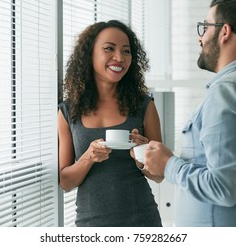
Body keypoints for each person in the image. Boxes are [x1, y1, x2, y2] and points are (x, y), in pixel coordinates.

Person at [144, 0, 236, 226]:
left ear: (225, 32)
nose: (200, 38)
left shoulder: (226, 93)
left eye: (205, 27)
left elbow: (223, 188)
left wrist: (168, 164)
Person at [58, 20, 163, 227]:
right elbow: (65, 182)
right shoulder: (67, 112)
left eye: (126, 51)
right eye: (109, 48)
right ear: (89, 54)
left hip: (142, 221)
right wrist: (88, 158)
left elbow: (158, 175)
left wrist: (142, 155)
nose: (119, 58)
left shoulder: (144, 106)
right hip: (91, 224)